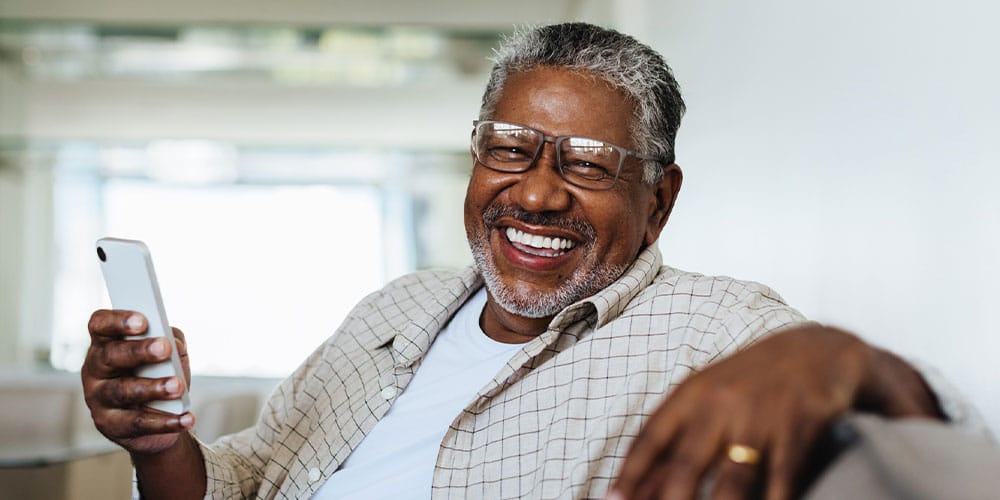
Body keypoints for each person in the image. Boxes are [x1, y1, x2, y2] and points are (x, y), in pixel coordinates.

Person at [82, 22, 976, 500]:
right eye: (511, 148)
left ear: (659, 200)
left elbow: (944, 446)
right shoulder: (393, 311)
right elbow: (244, 479)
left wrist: (842, 357)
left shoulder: (718, 328)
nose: (539, 194)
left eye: (587, 165)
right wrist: (161, 445)